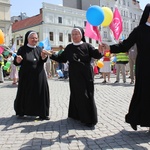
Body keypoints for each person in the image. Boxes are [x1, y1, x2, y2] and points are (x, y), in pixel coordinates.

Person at [102, 3, 150, 131]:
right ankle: (134, 118)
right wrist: (110, 47)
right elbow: (125, 45)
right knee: (143, 93)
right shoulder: (139, 30)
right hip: (145, 67)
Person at [43, 27, 103, 127]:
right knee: (76, 93)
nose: (74, 36)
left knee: (86, 94)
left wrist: (101, 51)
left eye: (76, 34)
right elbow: (62, 58)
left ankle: (88, 119)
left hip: (86, 74)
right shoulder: (69, 47)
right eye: (73, 34)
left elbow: (96, 55)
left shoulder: (87, 46)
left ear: (81, 35)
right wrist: (50, 55)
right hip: (74, 74)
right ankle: (76, 114)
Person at [13, 30, 50, 120]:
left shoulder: (40, 49)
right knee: (25, 93)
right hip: (26, 76)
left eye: (36, 38)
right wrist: (17, 60)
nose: (34, 40)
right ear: (27, 39)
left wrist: (44, 57)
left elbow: (43, 60)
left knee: (41, 93)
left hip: (39, 75)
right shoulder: (22, 49)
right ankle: (22, 111)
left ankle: (43, 113)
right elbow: (17, 62)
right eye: (32, 38)